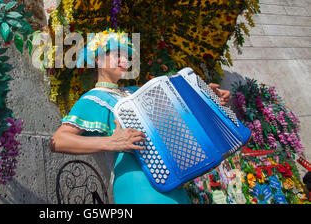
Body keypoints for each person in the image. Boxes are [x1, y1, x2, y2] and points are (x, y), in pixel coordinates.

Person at [50, 29, 231, 204]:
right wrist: (110, 142)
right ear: (98, 58)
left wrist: (204, 96)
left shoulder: (136, 92)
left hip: (175, 180)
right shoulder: (93, 98)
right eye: (117, 54)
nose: (125, 60)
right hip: (138, 185)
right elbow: (58, 141)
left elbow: (179, 111)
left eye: (127, 56)